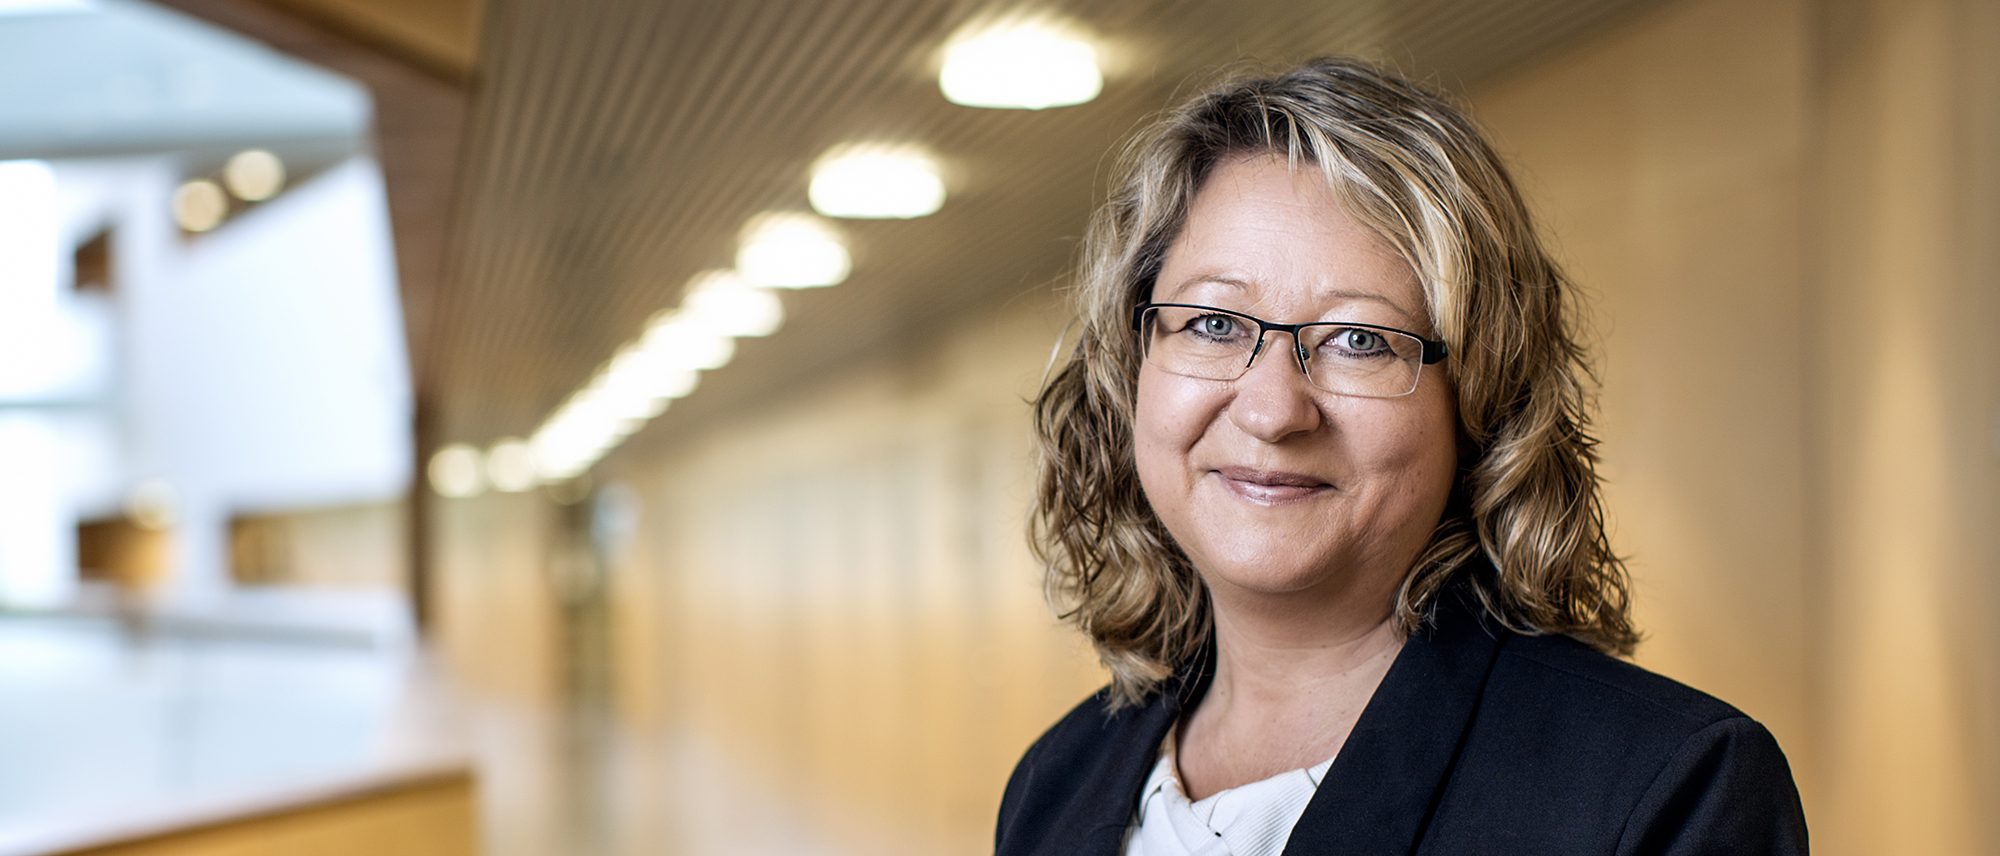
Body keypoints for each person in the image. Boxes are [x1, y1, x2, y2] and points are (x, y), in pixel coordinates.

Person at [995, 58, 1807, 856]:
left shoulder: (1664, 789)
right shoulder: (1055, 783)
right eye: (1214, 324)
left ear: (1481, 396)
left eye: (1359, 340)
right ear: (1132, 363)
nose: (1273, 411)